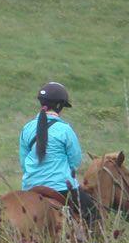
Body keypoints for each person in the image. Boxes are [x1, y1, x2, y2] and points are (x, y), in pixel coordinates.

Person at [19, 82, 101, 225]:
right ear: (59, 106)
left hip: (29, 187)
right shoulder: (65, 130)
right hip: (62, 187)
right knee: (94, 216)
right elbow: (75, 160)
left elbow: (23, 162)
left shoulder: (27, 128)